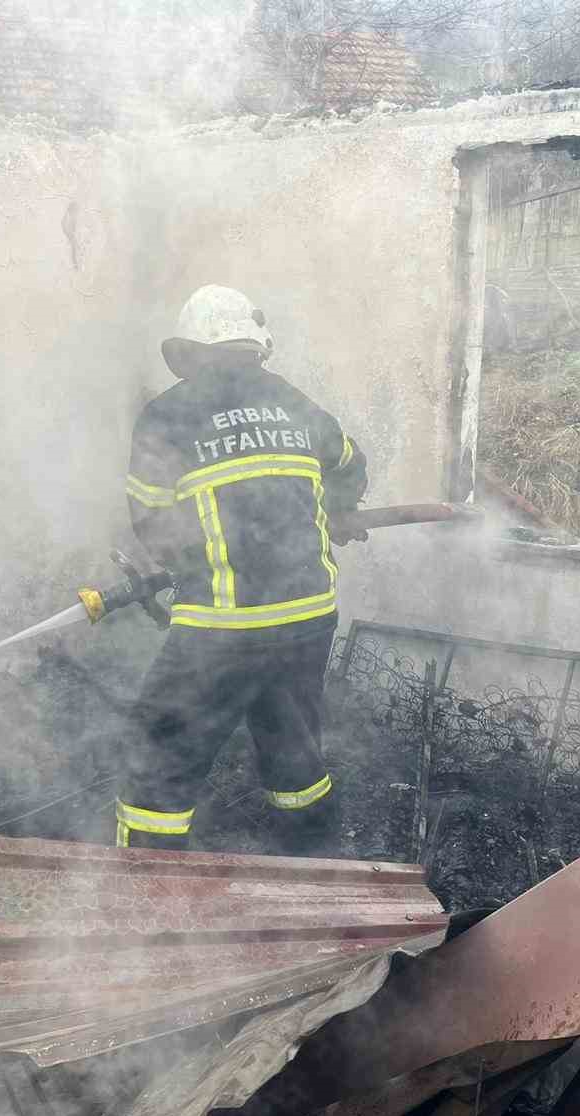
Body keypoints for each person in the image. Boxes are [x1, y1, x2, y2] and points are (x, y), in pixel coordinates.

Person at [117, 285, 367, 854]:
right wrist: (333, 511)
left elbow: (150, 518)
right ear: (255, 348)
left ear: (190, 352)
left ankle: (144, 883)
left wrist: (193, 560)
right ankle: (316, 864)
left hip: (222, 626)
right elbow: (351, 465)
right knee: (293, 744)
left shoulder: (167, 416)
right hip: (309, 616)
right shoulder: (294, 401)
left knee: (160, 747)